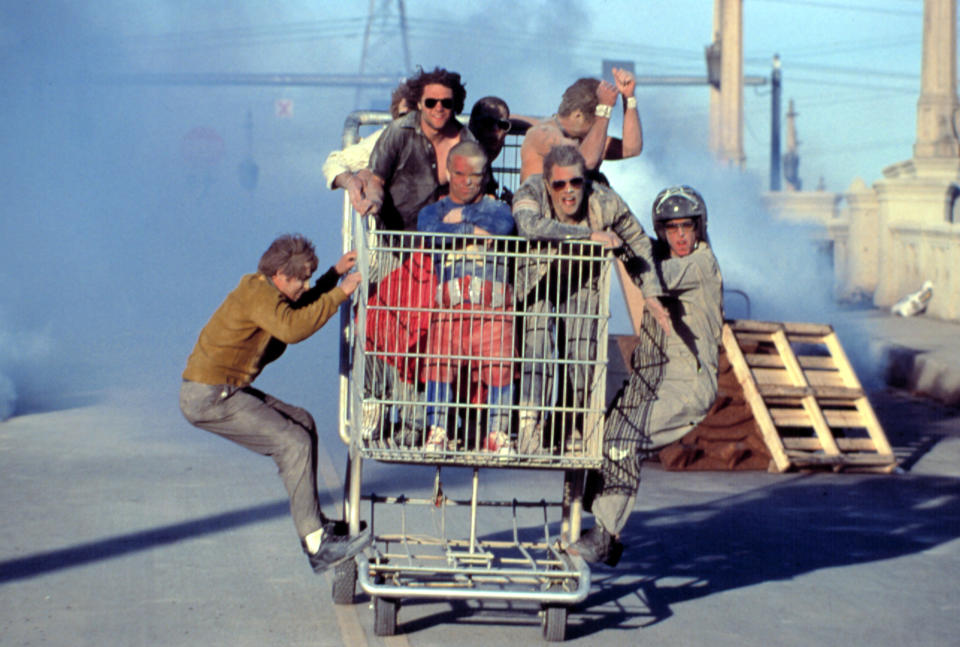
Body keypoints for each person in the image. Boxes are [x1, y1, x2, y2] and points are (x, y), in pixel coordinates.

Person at [179, 234, 369, 574]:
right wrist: (341, 293)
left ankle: (315, 525)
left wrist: (333, 274)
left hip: (223, 390)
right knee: (292, 443)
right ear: (281, 273)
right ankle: (316, 545)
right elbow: (293, 327)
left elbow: (298, 304)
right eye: (302, 278)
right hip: (209, 397)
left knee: (303, 423)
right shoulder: (257, 294)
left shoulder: (267, 291)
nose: (306, 284)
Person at [567, 185, 724, 565]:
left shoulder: (699, 264)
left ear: (700, 227)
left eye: (688, 226)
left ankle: (605, 534)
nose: (682, 236)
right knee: (596, 435)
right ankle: (601, 517)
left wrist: (617, 242)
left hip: (685, 385)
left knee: (623, 439)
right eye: (672, 229)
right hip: (650, 380)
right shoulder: (658, 251)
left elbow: (651, 274)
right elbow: (638, 245)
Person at [512, 144, 669, 455]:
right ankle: (529, 427)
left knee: (583, 356)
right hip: (537, 279)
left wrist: (649, 291)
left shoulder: (603, 199)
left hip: (581, 278)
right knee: (537, 349)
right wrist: (589, 236)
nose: (569, 192)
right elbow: (529, 226)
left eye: (576, 183)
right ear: (547, 183)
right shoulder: (529, 191)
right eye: (560, 184)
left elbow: (636, 239)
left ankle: (569, 423)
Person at [416, 141, 516, 454]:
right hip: (450, 305)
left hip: (493, 305)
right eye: (460, 174)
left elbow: (501, 228)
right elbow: (428, 232)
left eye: (475, 175)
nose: (468, 181)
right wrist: (473, 230)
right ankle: (438, 430)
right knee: (439, 367)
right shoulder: (432, 211)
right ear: (448, 173)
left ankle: (498, 433)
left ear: (485, 175)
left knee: (501, 369)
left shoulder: (498, 208)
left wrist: (459, 224)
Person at [366, 66, 476, 232]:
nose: (438, 108)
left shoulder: (467, 142)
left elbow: (480, 191)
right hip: (400, 238)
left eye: (446, 103)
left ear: (455, 106)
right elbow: (376, 180)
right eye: (430, 102)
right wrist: (373, 202)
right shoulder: (400, 132)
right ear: (418, 103)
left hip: (449, 240)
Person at [520, 68, 642, 182]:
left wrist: (628, 97)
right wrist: (604, 111)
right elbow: (584, 161)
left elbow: (631, 149)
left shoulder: (584, 139)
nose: (599, 126)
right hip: (541, 203)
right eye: (596, 119)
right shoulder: (544, 133)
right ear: (578, 115)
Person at [322, 81, 415, 216]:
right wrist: (350, 182)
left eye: (416, 117)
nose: (409, 123)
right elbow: (335, 162)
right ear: (395, 119)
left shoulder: (449, 140)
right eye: (403, 117)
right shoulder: (385, 139)